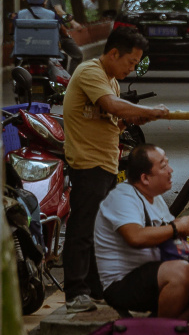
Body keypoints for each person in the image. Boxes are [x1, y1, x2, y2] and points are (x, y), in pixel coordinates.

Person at [62, 26, 169, 312]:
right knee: (82, 228)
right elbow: (111, 106)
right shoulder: (90, 72)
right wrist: (146, 111)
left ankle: (94, 287)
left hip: (106, 163)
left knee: (100, 230)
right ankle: (75, 292)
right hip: (88, 162)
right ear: (112, 53)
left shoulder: (112, 81)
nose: (131, 68)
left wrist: (133, 119)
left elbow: (114, 119)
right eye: (130, 62)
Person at [94, 145, 189, 320]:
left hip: (156, 269)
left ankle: (167, 329)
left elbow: (165, 231)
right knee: (180, 271)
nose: (171, 170)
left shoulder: (154, 196)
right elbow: (135, 237)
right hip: (122, 282)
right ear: (145, 178)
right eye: (164, 167)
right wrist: (175, 228)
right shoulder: (123, 198)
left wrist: (178, 227)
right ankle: (161, 332)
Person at [47, 0, 85, 73]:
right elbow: (59, 11)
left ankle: (68, 81)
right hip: (54, 33)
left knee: (77, 55)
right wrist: (73, 22)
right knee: (58, 59)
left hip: (61, 32)